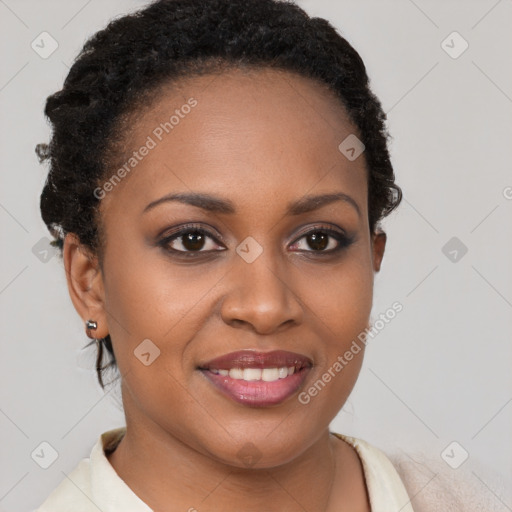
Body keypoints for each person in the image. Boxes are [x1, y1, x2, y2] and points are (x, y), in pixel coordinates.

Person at [33, 0, 473, 510]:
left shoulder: (457, 498)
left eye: (317, 240)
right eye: (192, 240)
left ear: (373, 258)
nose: (265, 306)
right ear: (90, 282)